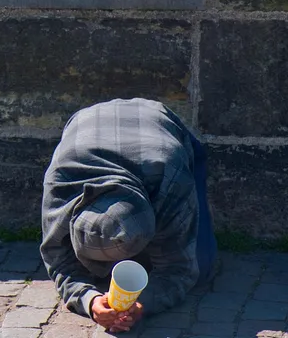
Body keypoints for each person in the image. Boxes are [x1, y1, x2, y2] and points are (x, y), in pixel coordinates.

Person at [40, 98, 217, 332]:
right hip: (87, 122)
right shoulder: (61, 182)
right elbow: (59, 262)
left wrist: (143, 304)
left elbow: (179, 269)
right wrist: (90, 301)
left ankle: (140, 253)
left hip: (158, 122)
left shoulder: (170, 179)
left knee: (201, 263)